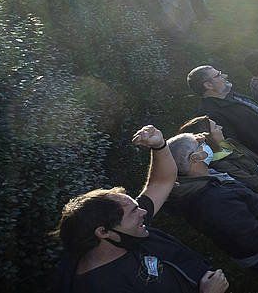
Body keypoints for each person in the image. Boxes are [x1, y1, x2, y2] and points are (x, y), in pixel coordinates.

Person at [54, 125, 230, 293]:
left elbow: (161, 182)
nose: (144, 212)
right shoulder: (100, 286)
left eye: (137, 207)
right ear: (103, 232)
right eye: (134, 212)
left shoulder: (125, 232)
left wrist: (159, 146)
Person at [163, 134, 258, 293]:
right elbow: (250, 233)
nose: (205, 146)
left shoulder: (203, 180)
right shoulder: (210, 198)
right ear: (195, 158)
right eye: (200, 146)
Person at [188, 64, 258, 158]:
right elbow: (234, 146)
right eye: (218, 75)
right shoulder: (211, 114)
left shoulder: (232, 96)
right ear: (208, 85)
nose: (225, 76)